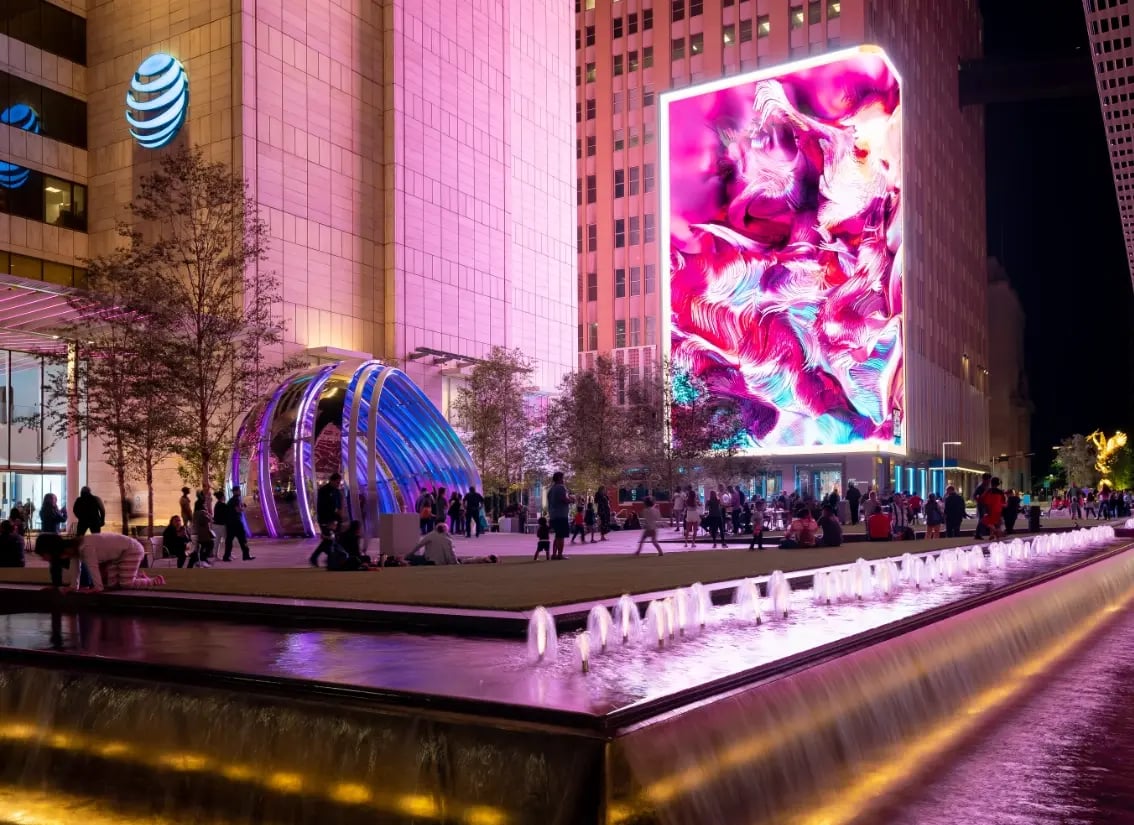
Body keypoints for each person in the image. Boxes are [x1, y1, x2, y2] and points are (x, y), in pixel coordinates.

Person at [62, 533, 163, 591]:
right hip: (117, 556)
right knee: (112, 584)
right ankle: (139, 577)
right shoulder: (75, 550)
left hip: (131, 550)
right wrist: (73, 586)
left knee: (126, 584)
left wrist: (98, 588)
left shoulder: (86, 547)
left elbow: (93, 567)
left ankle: (154, 580)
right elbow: (75, 567)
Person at [222, 485, 254, 562]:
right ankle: (246, 555)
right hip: (236, 523)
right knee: (243, 539)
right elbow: (238, 510)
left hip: (230, 524)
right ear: (235, 491)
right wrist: (243, 508)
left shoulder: (231, 500)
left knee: (229, 540)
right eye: (239, 490)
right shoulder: (236, 500)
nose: (240, 492)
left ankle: (226, 556)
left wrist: (241, 506)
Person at [547, 471, 572, 560]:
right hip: (561, 515)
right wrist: (571, 500)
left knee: (557, 535)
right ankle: (560, 554)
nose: (563, 480)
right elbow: (564, 499)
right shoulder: (561, 488)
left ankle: (554, 554)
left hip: (553, 515)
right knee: (561, 536)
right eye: (562, 478)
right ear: (559, 478)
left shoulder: (551, 490)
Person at [192, 498, 214, 567]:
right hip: (203, 534)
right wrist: (208, 513)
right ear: (201, 505)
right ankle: (203, 560)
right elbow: (209, 520)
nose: (206, 505)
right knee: (210, 544)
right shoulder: (202, 512)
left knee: (202, 547)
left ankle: (201, 560)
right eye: (204, 504)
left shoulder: (195, 513)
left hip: (198, 533)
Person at [972, 472, 992, 539]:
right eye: (989, 479)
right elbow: (974, 496)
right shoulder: (981, 487)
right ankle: (977, 534)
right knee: (982, 519)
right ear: (986, 479)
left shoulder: (985, 486)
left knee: (983, 519)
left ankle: (978, 533)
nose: (989, 481)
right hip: (982, 505)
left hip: (985, 505)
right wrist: (979, 501)